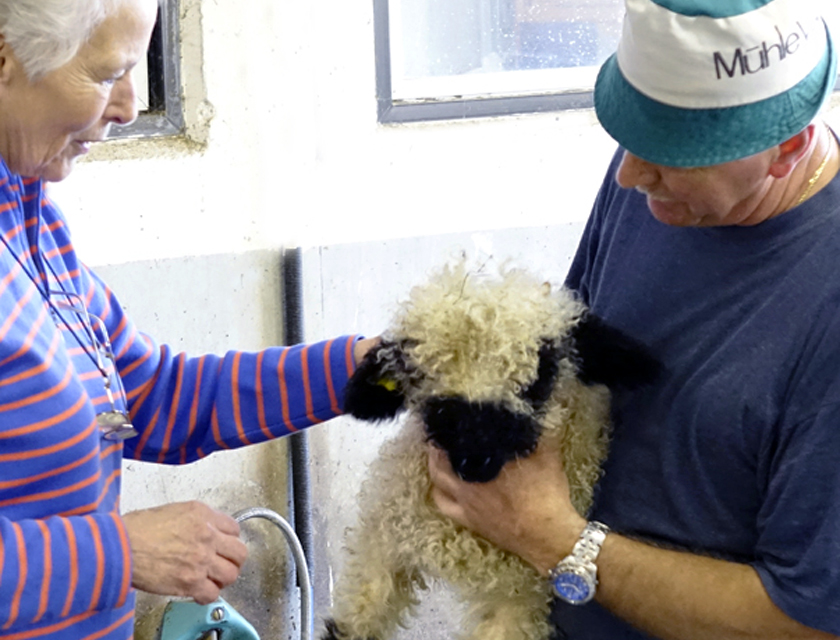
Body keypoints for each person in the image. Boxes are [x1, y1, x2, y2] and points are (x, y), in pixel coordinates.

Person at [428, 0, 840, 638]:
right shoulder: (653, 187)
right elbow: (573, 366)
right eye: (633, 139)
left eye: (673, 154)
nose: (629, 173)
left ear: (786, 148)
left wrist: (556, 541)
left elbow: (804, 622)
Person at [0, 1, 376, 639]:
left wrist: (363, 366)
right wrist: (122, 553)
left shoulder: (33, 226)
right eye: (104, 75)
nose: (126, 105)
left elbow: (152, 398)